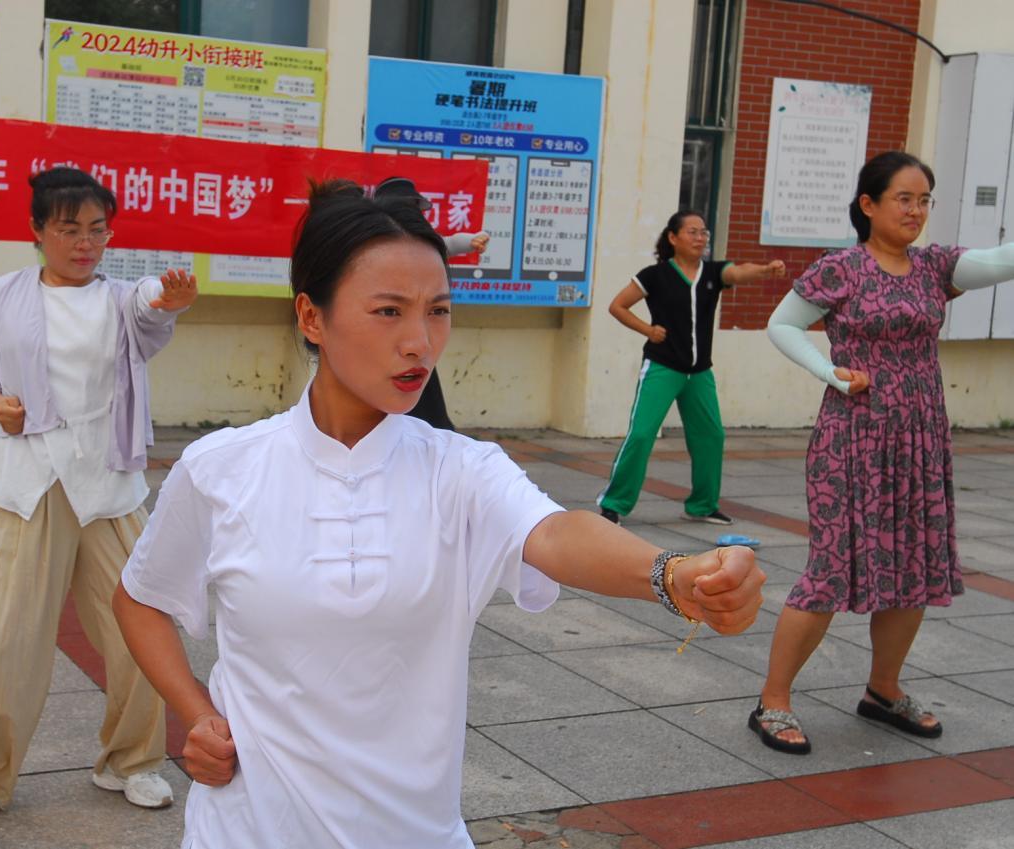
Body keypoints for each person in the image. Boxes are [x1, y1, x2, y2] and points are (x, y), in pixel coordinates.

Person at [112, 180, 766, 848]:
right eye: (389, 312)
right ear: (312, 317)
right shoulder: (221, 468)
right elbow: (140, 597)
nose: (420, 343)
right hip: (246, 830)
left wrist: (672, 574)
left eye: (439, 311)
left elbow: (553, 533)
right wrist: (196, 712)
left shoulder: (460, 469)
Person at [0, 168, 195, 830]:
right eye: (69, 229)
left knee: (140, 631)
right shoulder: (3, 295)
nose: (85, 243)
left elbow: (150, 310)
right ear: (37, 231)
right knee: (3, 641)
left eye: (98, 230)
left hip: (108, 485)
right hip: (30, 482)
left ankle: (130, 760)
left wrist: (167, 300)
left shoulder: (121, 299)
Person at [751, 151, 1014, 755]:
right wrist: (831, 372)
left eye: (924, 200)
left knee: (912, 568)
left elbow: (1003, 258)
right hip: (854, 438)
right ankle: (773, 701)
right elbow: (782, 325)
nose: (915, 211)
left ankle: (883, 690)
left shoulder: (935, 266)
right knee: (829, 570)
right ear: (868, 205)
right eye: (904, 198)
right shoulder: (841, 268)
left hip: (920, 439)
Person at [597, 210, 787, 525]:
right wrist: (648, 330)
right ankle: (613, 503)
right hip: (662, 367)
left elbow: (739, 272)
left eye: (703, 232)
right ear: (673, 238)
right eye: (692, 232)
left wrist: (766, 270)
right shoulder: (655, 275)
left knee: (711, 436)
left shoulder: (712, 273)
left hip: (699, 373)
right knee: (642, 434)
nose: (700, 238)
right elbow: (618, 306)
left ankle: (702, 505)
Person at [373, 175, 489, 431]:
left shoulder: (424, 245)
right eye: (405, 207)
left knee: (421, 390)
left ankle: (430, 430)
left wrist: (473, 240)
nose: (411, 213)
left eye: (414, 208)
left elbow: (449, 243)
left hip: (413, 335)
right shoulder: (367, 247)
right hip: (381, 337)